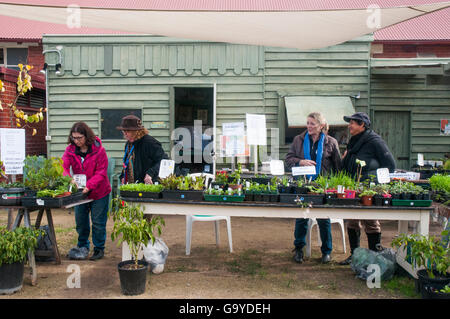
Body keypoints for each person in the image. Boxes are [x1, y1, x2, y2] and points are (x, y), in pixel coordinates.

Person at [339, 112, 396, 265]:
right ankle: (355, 255)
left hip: (368, 187)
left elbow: (390, 165)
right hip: (353, 185)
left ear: (362, 124)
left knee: (370, 220)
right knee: (352, 220)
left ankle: (374, 256)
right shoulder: (354, 141)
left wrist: (375, 181)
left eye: (352, 123)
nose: (349, 125)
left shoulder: (374, 141)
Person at [285, 112, 342, 264]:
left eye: (312, 124)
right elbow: (288, 160)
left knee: (324, 219)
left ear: (321, 126)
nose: (309, 126)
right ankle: (298, 249)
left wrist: (336, 187)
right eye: (308, 123)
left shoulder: (331, 142)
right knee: (302, 217)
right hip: (302, 185)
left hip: (322, 186)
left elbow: (338, 167)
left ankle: (326, 252)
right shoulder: (299, 140)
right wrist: (301, 161)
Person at [62, 122, 111, 261]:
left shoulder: (99, 150)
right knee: (81, 220)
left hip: (99, 191)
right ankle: (82, 246)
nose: (76, 141)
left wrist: (89, 186)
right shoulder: (70, 150)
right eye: (74, 138)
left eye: (79, 138)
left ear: (86, 136)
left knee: (98, 222)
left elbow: (101, 172)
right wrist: (68, 179)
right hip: (80, 193)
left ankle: (99, 249)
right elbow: (63, 166)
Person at [117, 115, 168, 185]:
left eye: (128, 130)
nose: (125, 133)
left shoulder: (149, 142)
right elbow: (127, 163)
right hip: (134, 184)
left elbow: (164, 160)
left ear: (136, 131)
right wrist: (123, 176)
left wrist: (150, 173)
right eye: (123, 130)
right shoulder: (128, 144)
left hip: (151, 184)